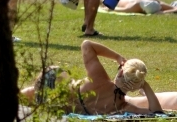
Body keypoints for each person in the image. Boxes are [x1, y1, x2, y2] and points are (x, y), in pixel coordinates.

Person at [21, 40, 176, 113]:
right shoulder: (123, 107)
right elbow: (157, 113)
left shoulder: (99, 80)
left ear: (121, 71)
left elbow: (86, 44)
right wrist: (145, 86)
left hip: (51, 87)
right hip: (61, 106)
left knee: (57, 78)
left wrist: (118, 57)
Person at [102, 0, 177, 15]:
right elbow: (123, 10)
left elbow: (174, 9)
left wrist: (164, 11)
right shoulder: (135, 5)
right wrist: (110, 8)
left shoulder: (154, 1)